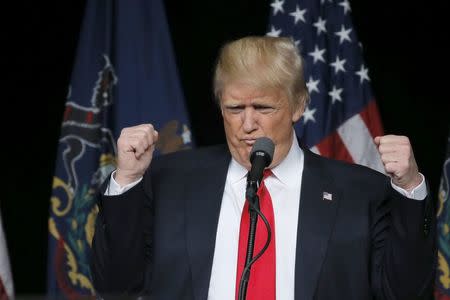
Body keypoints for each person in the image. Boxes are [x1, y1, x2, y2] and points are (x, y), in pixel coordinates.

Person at [91, 36, 436, 300]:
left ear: (299, 105)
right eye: (235, 107)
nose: (248, 124)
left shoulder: (361, 192)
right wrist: (128, 179)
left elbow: (405, 292)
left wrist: (408, 187)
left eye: (263, 107)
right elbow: (116, 286)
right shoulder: (168, 180)